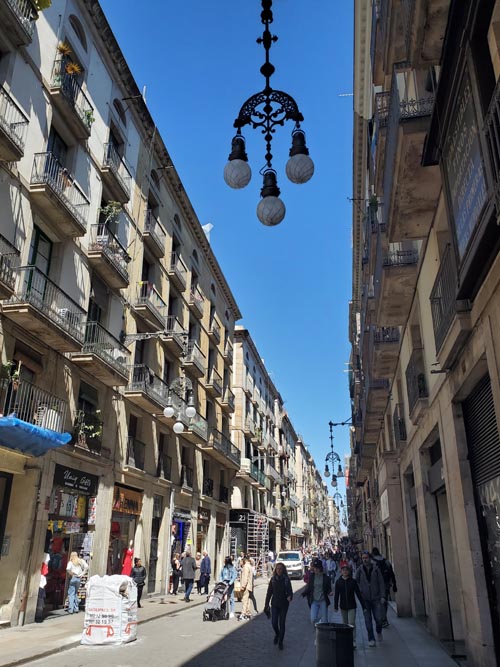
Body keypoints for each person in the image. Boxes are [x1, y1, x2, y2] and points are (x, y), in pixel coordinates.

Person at [355, 551, 385, 647]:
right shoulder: (360, 570)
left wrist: (383, 596)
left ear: (370, 558)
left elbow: (381, 583)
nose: (365, 559)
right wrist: (360, 592)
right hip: (365, 599)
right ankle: (371, 638)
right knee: (367, 620)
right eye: (363, 558)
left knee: (379, 618)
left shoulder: (376, 569)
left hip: (376, 598)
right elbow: (356, 582)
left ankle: (379, 631)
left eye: (366, 557)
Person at [334, 564, 365, 649]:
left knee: (351, 623)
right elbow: (336, 595)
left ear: (349, 571)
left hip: (352, 605)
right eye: (343, 570)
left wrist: (363, 605)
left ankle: (353, 640)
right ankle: (346, 639)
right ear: (341, 571)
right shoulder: (338, 582)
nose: (345, 571)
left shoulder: (353, 581)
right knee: (345, 624)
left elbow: (358, 594)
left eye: (346, 570)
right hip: (343, 606)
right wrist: (336, 606)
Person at [264, 562, 293, 651]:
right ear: (275, 570)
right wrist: (266, 604)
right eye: (277, 569)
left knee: (282, 623)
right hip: (275, 604)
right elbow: (269, 593)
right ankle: (277, 633)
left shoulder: (286, 579)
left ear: (283, 570)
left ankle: (280, 642)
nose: (279, 570)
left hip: (284, 604)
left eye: (280, 569)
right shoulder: (273, 580)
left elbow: (290, 591)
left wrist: (289, 596)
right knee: (274, 622)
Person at [302, 558, 332, 626]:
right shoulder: (312, 577)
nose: (315, 569)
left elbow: (328, 588)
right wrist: (304, 593)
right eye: (314, 568)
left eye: (317, 568)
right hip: (314, 600)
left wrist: (330, 592)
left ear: (320, 568)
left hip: (323, 600)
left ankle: (323, 632)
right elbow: (309, 587)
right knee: (313, 619)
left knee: (325, 621)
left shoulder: (326, 578)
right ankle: (319, 627)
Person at [371, 547, 397, 627]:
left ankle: (381, 618)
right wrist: (394, 585)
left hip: (376, 586)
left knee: (377, 602)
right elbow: (392, 574)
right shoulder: (386, 561)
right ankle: (384, 618)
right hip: (386, 585)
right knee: (384, 602)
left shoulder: (372, 562)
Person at [238, 554, 254, 621]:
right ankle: (248, 613)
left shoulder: (246, 567)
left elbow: (245, 577)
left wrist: (243, 586)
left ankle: (243, 614)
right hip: (249, 586)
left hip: (246, 587)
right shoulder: (249, 566)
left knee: (244, 600)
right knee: (248, 601)